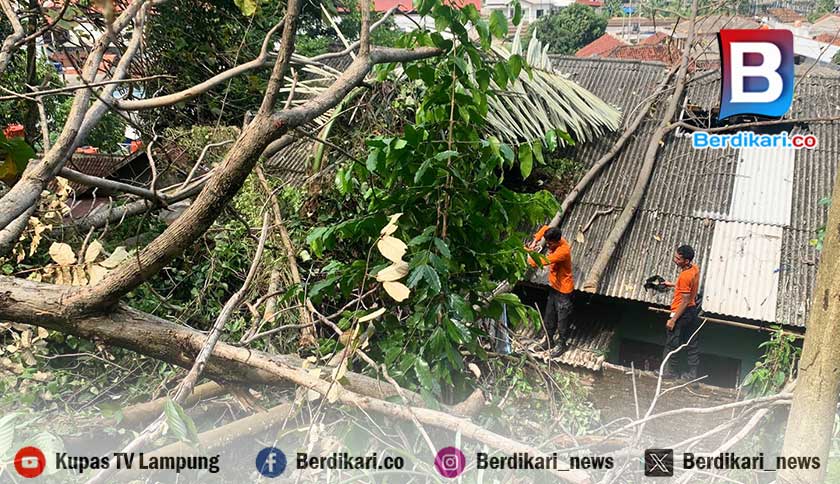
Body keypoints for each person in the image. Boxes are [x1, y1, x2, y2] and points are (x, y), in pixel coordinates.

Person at [526, 225, 574, 357]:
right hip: (553, 286)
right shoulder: (555, 236)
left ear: (557, 241)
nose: (547, 245)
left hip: (563, 290)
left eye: (549, 243)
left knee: (562, 319)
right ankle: (548, 341)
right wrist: (535, 240)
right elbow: (545, 228)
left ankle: (562, 344)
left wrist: (528, 254)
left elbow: (541, 261)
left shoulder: (563, 251)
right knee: (549, 316)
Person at [660, 244, 701, 380]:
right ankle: (692, 374)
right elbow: (687, 286)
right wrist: (671, 284)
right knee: (692, 343)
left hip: (681, 311)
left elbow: (684, 300)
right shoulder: (694, 268)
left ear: (686, 261)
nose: (675, 260)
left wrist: (673, 319)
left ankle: (671, 372)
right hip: (692, 311)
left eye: (678, 259)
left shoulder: (684, 276)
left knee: (672, 342)